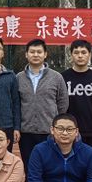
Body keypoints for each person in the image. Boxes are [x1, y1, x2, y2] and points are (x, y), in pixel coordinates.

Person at [16, 38, 68, 166]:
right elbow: (16, 104)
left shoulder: (56, 77)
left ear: (45, 54)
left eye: (39, 52)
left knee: (50, 167)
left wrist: (55, 123)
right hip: (26, 132)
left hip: (49, 132)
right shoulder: (18, 78)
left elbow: (63, 102)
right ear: (26, 54)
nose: (35, 55)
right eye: (32, 52)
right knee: (29, 167)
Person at [61, 39, 92, 160]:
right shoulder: (62, 77)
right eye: (76, 52)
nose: (80, 56)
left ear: (89, 55)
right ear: (71, 55)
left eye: (83, 52)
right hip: (68, 132)